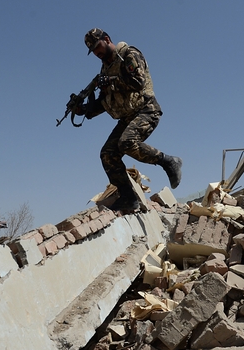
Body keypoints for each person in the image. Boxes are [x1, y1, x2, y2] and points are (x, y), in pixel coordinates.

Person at [71, 28, 182, 212]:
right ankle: (129, 198)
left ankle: (169, 161)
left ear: (106, 39)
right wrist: (84, 110)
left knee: (127, 142)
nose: (97, 53)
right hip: (127, 117)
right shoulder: (105, 69)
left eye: (98, 47)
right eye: (94, 52)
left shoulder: (128, 54)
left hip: (147, 109)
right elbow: (106, 101)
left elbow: (137, 82)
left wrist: (111, 82)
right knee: (107, 154)